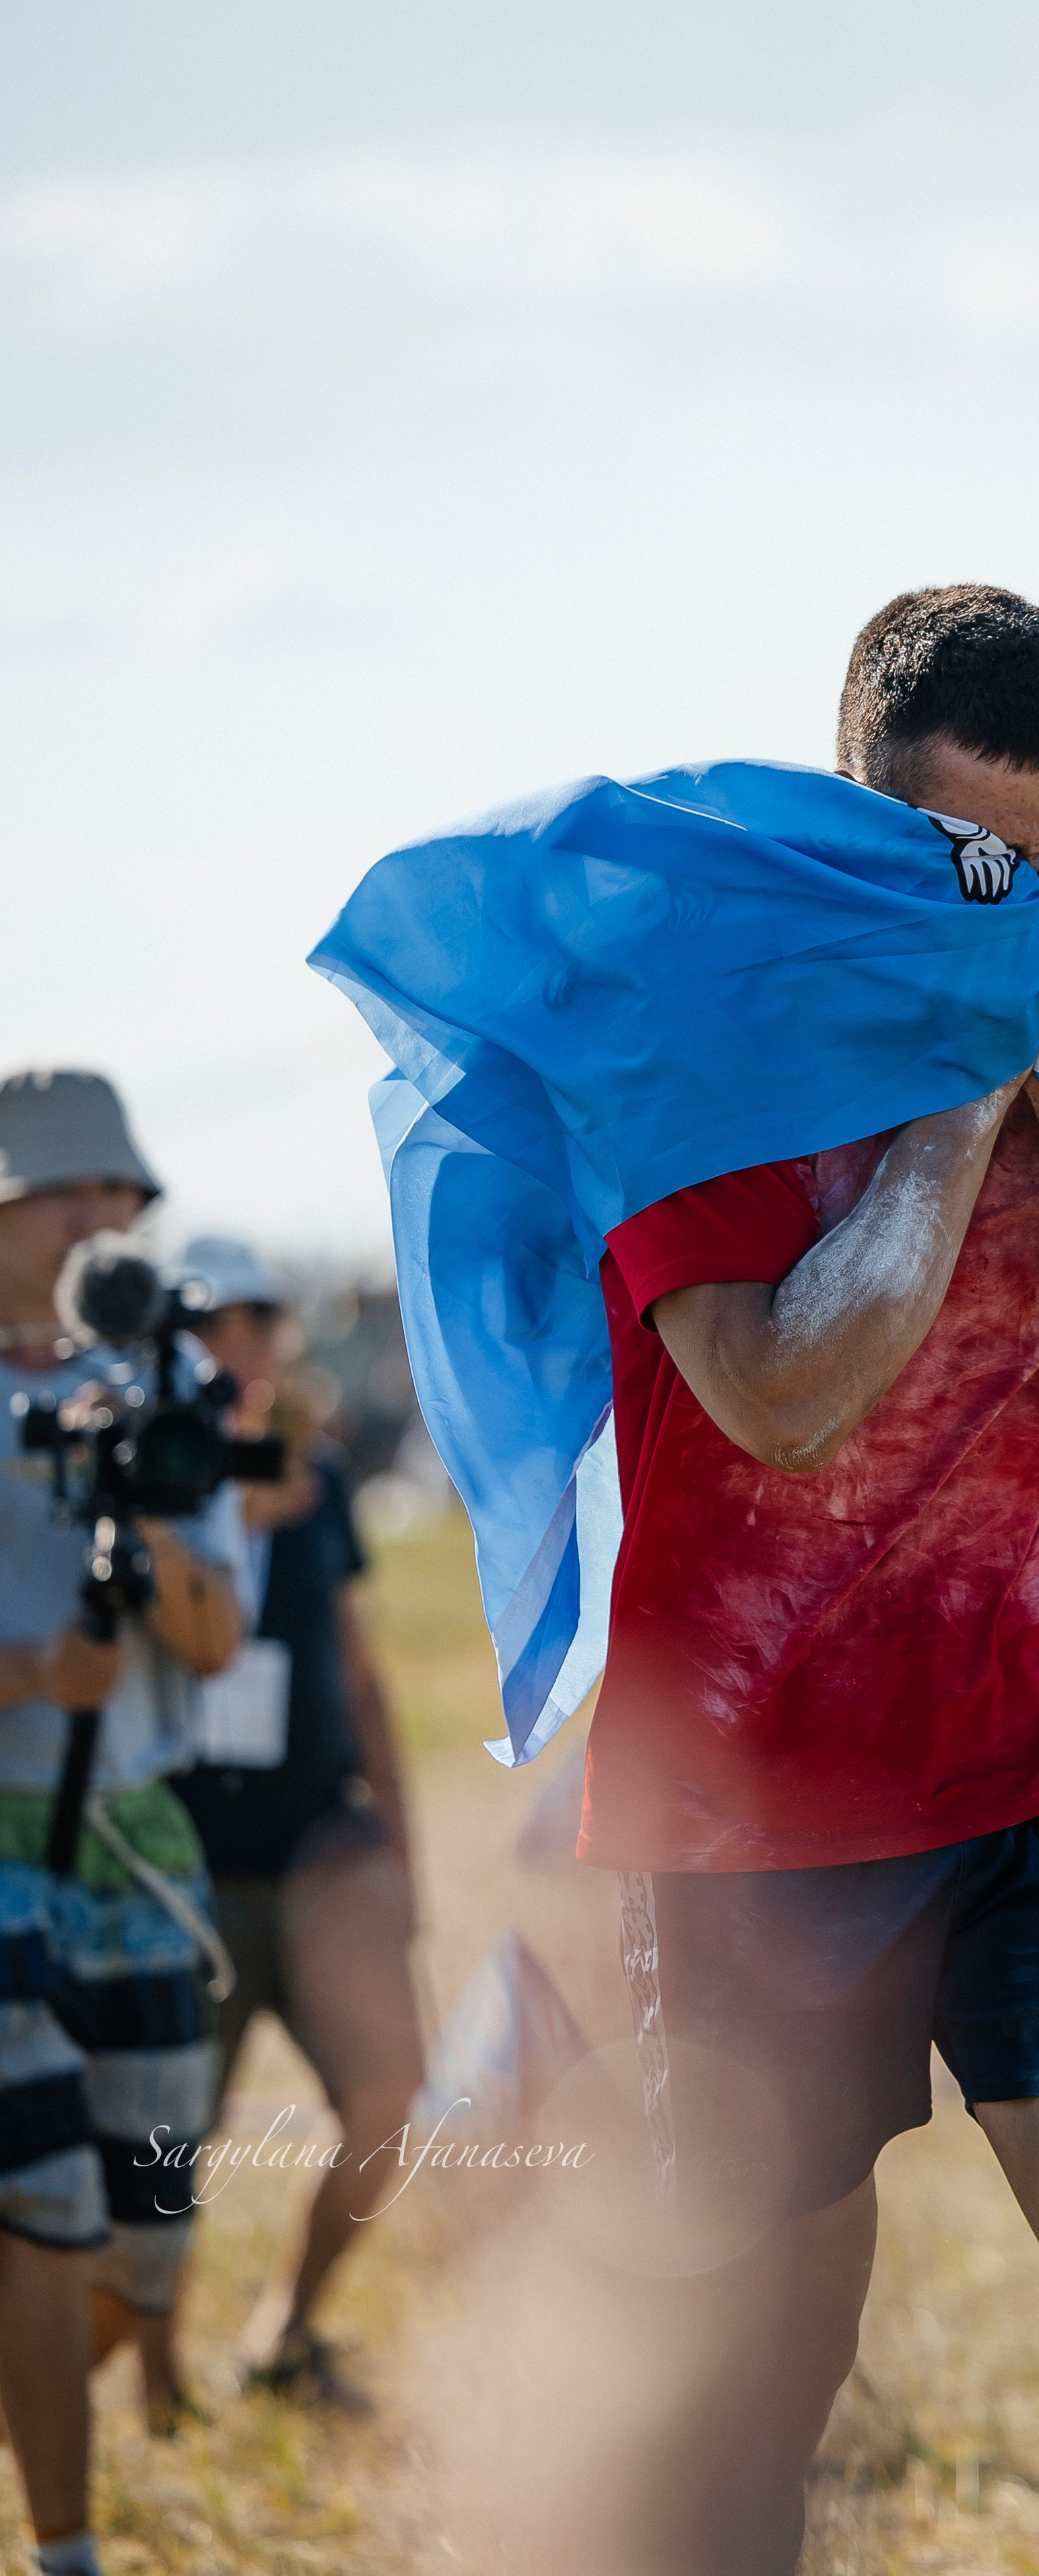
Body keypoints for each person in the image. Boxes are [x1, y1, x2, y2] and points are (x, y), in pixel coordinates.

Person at [576, 587, 1039, 2575]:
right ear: (865, 818)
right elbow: (784, 1394)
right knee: (760, 2379)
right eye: (986, 865)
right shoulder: (697, 1017)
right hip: (756, 1783)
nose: (1033, 903)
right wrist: (965, 1086)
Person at [0, 1071, 248, 2576]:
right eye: (65, 1192)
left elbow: (215, 1642)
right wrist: (32, 1669)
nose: (103, 1222)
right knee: (40, 2202)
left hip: (143, 1845)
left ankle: (42, 2413)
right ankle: (70, 2545)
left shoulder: (176, 1388)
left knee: (147, 2234)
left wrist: (145, 1495)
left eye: (121, 1196)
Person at [164, 1236, 423, 2412]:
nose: (245, 1340)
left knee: (389, 2097)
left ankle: (287, 2326)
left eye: (262, 1316)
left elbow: (363, 1675)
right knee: (165, 2140)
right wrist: (220, 1505)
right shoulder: (150, 1485)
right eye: (216, 1319)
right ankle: (155, 2369)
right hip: (184, 1865)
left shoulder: (318, 1480)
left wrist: (401, 1848)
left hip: (323, 1850)